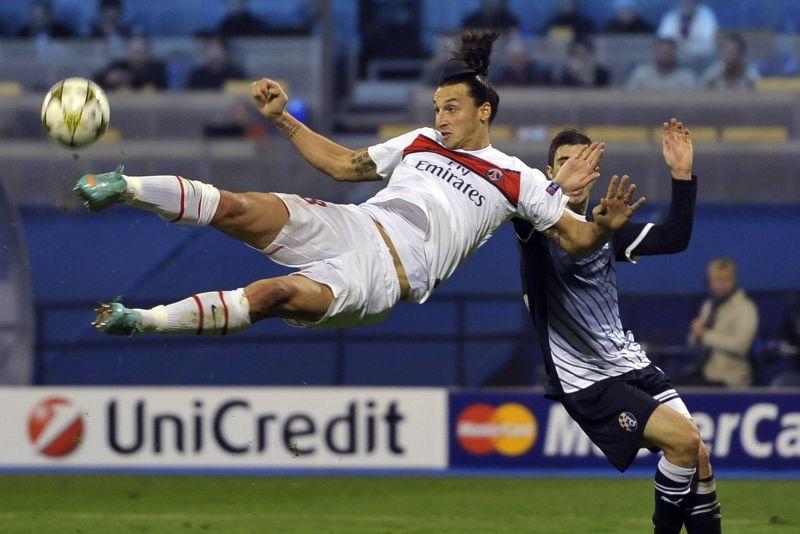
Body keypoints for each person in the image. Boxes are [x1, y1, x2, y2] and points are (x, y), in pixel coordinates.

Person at [74, 30, 643, 338]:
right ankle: (125, 187)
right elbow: (346, 166)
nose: (441, 117)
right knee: (240, 208)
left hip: (383, 275)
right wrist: (281, 118)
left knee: (272, 295)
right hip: (357, 223)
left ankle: (143, 321)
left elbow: (574, 240)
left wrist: (603, 225)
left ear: (485, 111)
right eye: (437, 107)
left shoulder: (516, 177)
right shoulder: (419, 140)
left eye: (451, 108)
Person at [513, 119, 722, 533]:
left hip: (629, 362)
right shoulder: (535, 227)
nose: (575, 169)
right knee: (682, 442)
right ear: (549, 174)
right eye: (564, 162)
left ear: (595, 174)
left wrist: (681, 176)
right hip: (586, 377)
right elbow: (528, 211)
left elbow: (675, 237)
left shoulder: (606, 226)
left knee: (697, 454)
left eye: (584, 162)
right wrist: (555, 192)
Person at [687, 258, 759, 387]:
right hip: (703, 372)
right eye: (717, 280)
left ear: (734, 280)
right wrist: (696, 335)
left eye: (726, 280)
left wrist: (704, 335)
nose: (721, 284)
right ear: (710, 281)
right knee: (667, 390)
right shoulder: (709, 305)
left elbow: (740, 345)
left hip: (730, 378)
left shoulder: (745, 307)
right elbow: (693, 341)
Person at [94, 36, 168, 91]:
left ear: (148, 53)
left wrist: (128, 78)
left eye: (141, 52)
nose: (138, 56)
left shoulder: (157, 68)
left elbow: (164, 85)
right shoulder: (119, 66)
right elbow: (97, 78)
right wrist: (107, 79)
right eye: (135, 52)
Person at [657, 0, 718, 65]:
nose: (687, 4)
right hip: (675, 63)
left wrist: (683, 48)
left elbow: (709, 46)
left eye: (690, 2)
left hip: (701, 62)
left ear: (696, 3)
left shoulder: (706, 16)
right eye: (684, 2)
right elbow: (663, 43)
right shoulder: (671, 17)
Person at [626, 38, 697, 91]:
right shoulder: (641, 74)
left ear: (675, 54)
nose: (665, 55)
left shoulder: (686, 77)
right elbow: (627, 99)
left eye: (669, 52)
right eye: (662, 52)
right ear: (655, 53)